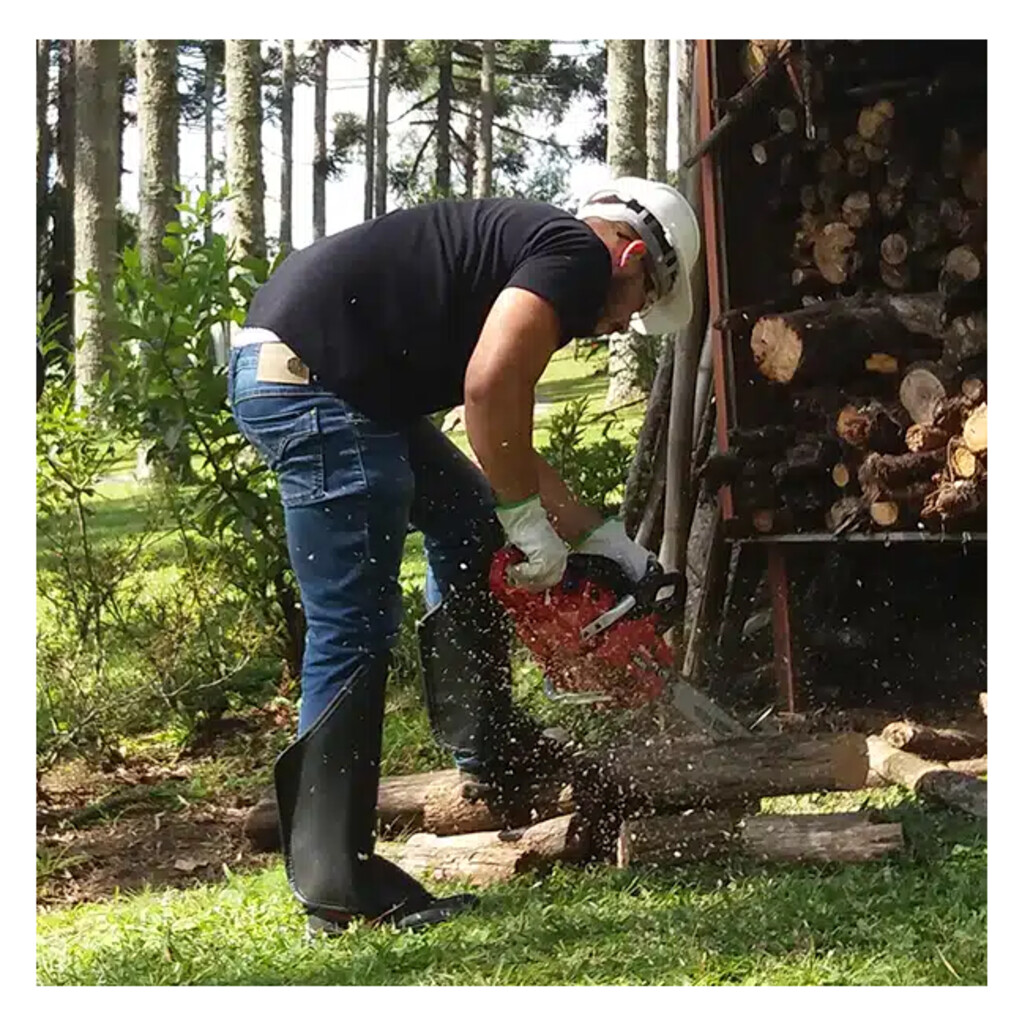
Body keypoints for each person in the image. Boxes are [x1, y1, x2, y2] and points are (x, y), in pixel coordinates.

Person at [228, 177, 700, 935]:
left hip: (334, 380)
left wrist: (604, 541)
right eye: (638, 304)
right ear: (634, 256)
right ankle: (336, 882)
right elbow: (487, 388)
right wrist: (528, 524)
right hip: (316, 384)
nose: (621, 324)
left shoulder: (536, 251)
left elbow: (503, 428)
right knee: (352, 626)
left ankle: (489, 748)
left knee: (469, 519)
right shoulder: (576, 254)